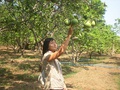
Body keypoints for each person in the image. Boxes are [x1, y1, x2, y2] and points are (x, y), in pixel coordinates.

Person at [39, 25, 73, 90]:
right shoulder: (47, 55)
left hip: (59, 85)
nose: (55, 44)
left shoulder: (55, 58)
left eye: (55, 42)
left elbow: (59, 73)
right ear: (47, 46)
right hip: (53, 86)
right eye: (52, 43)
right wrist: (69, 36)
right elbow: (61, 51)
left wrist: (64, 86)